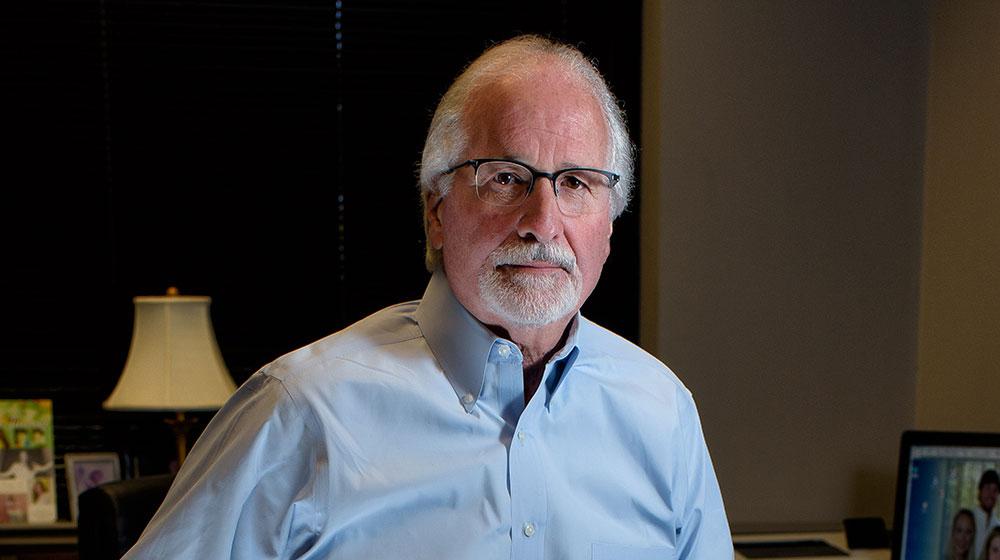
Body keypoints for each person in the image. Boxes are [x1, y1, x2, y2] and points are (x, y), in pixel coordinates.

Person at [123, 35, 731, 559]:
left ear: (609, 222)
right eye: (505, 178)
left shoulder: (662, 412)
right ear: (437, 211)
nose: (542, 222)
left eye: (575, 182)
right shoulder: (302, 411)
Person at [973, 471, 1000, 557]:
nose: (991, 494)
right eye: (987, 488)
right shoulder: (969, 520)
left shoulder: (997, 525)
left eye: (995, 490)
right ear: (980, 491)